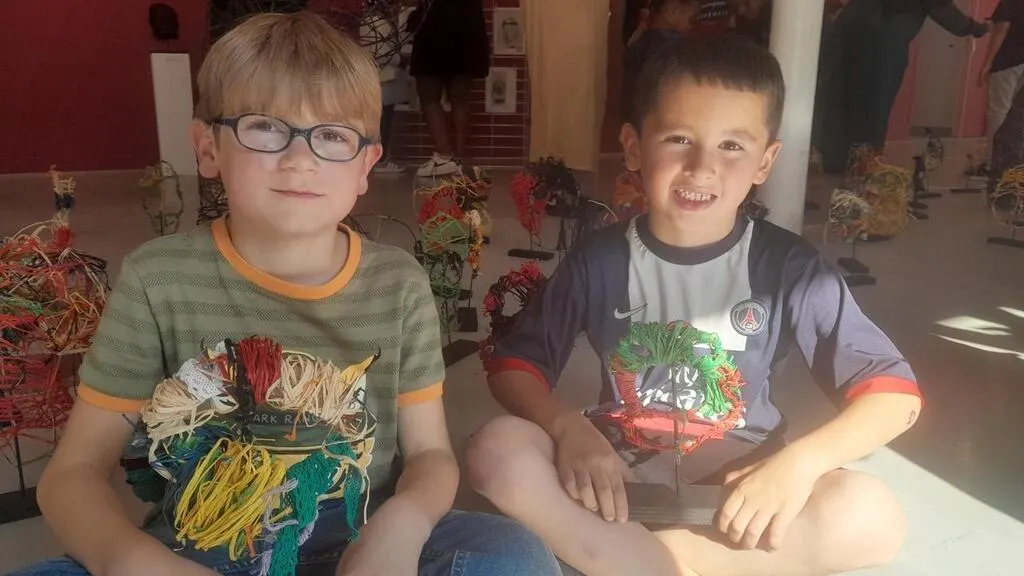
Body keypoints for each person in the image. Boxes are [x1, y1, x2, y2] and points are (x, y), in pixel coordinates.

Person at [13, 12, 560, 576]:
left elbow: (430, 456)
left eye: (332, 136)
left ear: (366, 165)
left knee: (510, 553)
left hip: (365, 543)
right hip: (200, 551)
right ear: (207, 148)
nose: (301, 160)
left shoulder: (398, 284)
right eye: (265, 128)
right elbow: (72, 474)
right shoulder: (158, 278)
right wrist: (132, 561)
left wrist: (405, 522)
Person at [467, 36, 922, 576]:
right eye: (679, 139)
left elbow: (894, 397)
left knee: (872, 515)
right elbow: (514, 366)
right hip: (613, 483)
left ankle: (643, 561)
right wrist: (567, 427)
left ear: (765, 161)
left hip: (744, 493)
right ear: (634, 148)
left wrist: (799, 465)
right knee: (496, 449)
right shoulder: (599, 259)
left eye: (732, 145)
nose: (701, 167)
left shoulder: (790, 267)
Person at [820, 0, 988, 174]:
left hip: (848, 33)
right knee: (876, 106)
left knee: (841, 98)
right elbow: (949, 16)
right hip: (883, 46)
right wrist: (980, 28)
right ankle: (865, 164)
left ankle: (835, 161)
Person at [409, 0, 490, 177]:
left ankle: (445, 157)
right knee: (460, 97)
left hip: (433, 22)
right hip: (467, 22)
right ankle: (460, 159)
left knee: (429, 96)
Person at [623, 0, 701, 120]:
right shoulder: (676, 46)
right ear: (674, 10)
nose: (691, 26)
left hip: (634, 110)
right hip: (662, 112)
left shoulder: (640, 41)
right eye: (691, 19)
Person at [979, 1, 1024, 155]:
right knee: (1019, 113)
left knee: (999, 111)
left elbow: (1001, 30)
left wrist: (987, 63)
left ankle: (994, 158)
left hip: (1008, 60)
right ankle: (1014, 159)